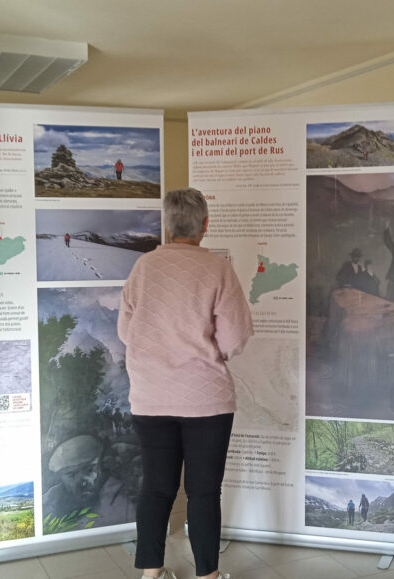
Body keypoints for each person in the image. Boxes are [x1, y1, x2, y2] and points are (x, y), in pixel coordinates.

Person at [118, 188, 253, 579]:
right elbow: (235, 338)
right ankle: (208, 577)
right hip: (206, 401)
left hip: (150, 397)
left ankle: (151, 574)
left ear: (166, 225)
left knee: (156, 488)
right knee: (204, 492)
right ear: (205, 226)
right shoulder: (218, 270)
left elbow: (127, 331)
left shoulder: (143, 268)